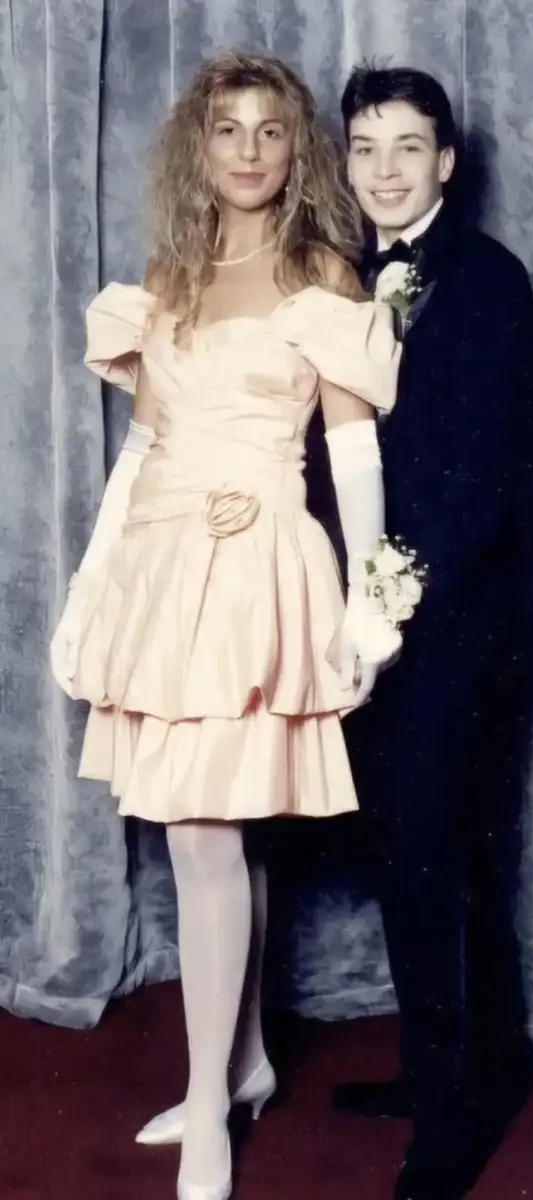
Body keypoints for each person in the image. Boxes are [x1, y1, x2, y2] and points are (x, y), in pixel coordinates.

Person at [50, 53, 402, 1200]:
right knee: (217, 833)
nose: (247, 151)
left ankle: (209, 1111)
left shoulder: (321, 273)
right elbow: (143, 450)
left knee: (208, 833)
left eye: (268, 131)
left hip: (261, 572)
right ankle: (244, 1066)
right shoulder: (170, 277)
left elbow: (351, 449)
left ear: (294, 148)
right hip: (164, 568)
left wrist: (367, 598)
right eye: (225, 132)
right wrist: (92, 584)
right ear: (196, 151)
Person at [332, 66, 533, 1200]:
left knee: (442, 866)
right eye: (366, 147)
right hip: (374, 628)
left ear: (448, 161)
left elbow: (471, 489)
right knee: (414, 861)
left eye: (408, 148)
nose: (385, 170)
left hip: (455, 631)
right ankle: (453, 1068)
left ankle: (458, 1115)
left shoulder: (489, 284)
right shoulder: (349, 276)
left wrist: (388, 617)